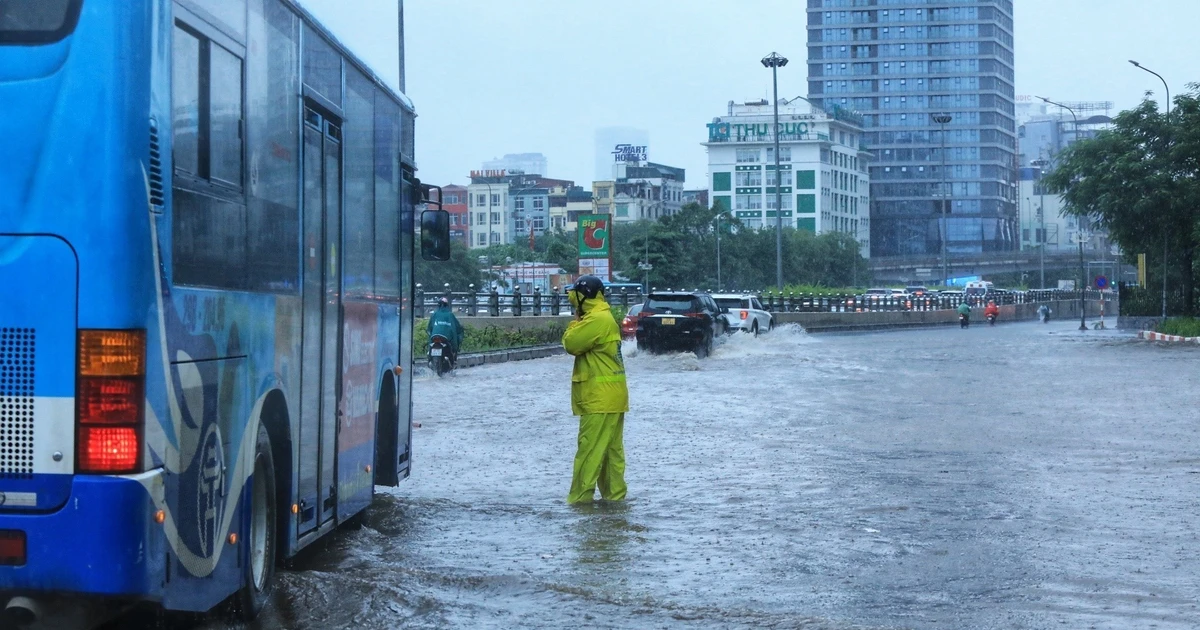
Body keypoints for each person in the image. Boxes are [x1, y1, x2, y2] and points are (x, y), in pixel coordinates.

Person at [562, 275, 628, 504]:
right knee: (611, 453)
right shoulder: (603, 315)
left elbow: (571, 343)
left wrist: (575, 321)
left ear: (584, 296)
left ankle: (579, 501)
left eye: (574, 296)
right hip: (613, 396)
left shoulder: (596, 320)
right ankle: (615, 500)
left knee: (589, 452)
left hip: (600, 398)